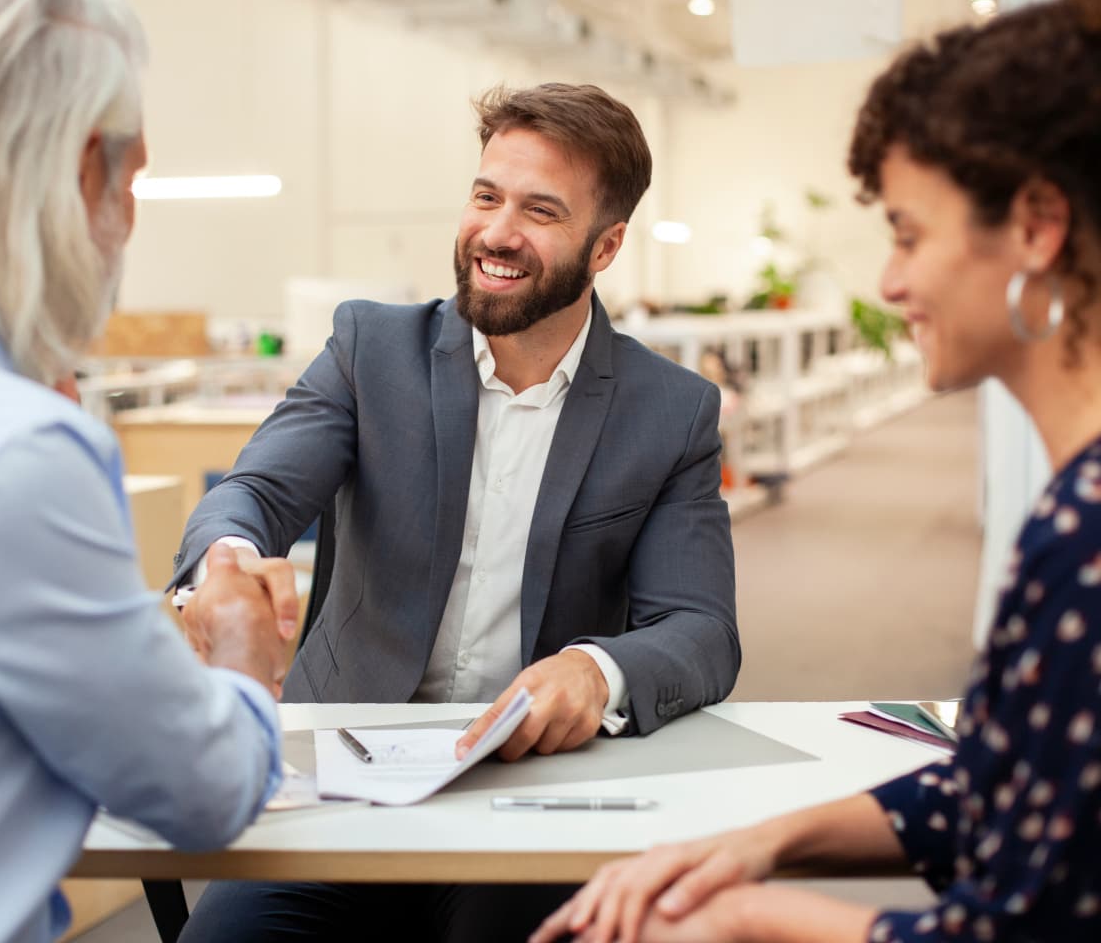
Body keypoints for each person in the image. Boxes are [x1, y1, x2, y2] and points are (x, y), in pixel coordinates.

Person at [532, 0, 1101, 943]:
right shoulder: (1070, 512)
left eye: (909, 235)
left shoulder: (1083, 543)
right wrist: (763, 841)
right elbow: (995, 788)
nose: (890, 281)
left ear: (1037, 228)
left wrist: (747, 919)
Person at [173, 83, 740, 941]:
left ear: (606, 245)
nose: (498, 233)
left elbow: (700, 628)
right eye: (486, 196)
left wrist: (596, 670)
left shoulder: (670, 411)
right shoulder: (371, 350)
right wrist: (226, 561)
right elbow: (253, 494)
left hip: (533, 793)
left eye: (540, 210)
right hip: (344, 777)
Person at [0, 0, 294, 941]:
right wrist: (246, 654)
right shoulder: (10, 448)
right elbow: (203, 792)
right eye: (133, 180)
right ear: (84, 169)